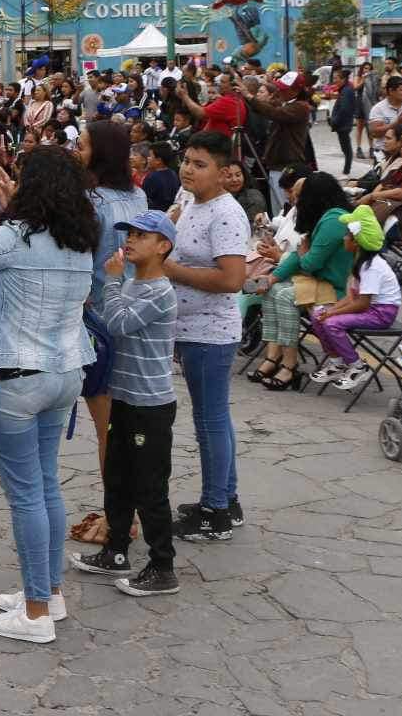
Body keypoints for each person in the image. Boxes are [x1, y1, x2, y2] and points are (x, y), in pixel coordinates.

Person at [0, 149, 98, 644]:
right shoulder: (81, 242)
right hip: (65, 372)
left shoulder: (13, 238)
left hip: (11, 375)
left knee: (26, 494)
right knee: (47, 484)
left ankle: (34, 614)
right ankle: (48, 592)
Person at [70, 210, 181, 598]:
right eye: (129, 233)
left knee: (151, 488)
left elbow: (118, 324)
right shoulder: (134, 284)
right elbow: (109, 317)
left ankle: (162, 566)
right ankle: (116, 550)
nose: (130, 240)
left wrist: (112, 283)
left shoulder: (161, 292)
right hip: (125, 400)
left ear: (163, 246)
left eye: (141, 236)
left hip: (151, 406)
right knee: (117, 479)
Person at [164, 131, 250, 541]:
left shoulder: (226, 214)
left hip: (210, 333)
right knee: (213, 419)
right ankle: (225, 499)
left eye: (200, 165)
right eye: (186, 160)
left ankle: (214, 511)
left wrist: (170, 270)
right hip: (186, 328)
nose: (188, 169)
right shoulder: (186, 201)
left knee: (209, 422)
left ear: (223, 173)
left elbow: (233, 279)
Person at [69, 119, 147, 549]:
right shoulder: (138, 194)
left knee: (108, 427)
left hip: (100, 312)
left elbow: (81, 259)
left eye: (82, 145)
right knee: (128, 424)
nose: (78, 151)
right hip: (137, 310)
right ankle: (126, 509)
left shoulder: (91, 199)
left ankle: (121, 517)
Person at [251, 172, 351, 391]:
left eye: (298, 196)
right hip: (316, 284)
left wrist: (303, 253)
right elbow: (299, 255)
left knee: (285, 295)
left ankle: (289, 365)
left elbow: (309, 262)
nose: (293, 200)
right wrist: (271, 277)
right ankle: (272, 357)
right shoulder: (323, 217)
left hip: (333, 290)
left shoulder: (334, 220)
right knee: (272, 289)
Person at [308, 206, 400, 391]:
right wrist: (328, 311)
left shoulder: (372, 267)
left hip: (381, 313)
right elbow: (352, 297)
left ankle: (358, 366)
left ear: (356, 242)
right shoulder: (359, 262)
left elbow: (361, 303)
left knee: (331, 323)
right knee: (318, 315)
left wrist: (333, 312)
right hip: (368, 309)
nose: (344, 238)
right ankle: (337, 362)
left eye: (347, 235)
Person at [245, 72, 315, 216]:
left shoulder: (300, 107)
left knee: (284, 209)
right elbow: (267, 107)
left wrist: (250, 96)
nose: (280, 91)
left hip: (286, 165)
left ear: (296, 90)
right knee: (278, 208)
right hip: (277, 164)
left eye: (284, 88)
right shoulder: (286, 103)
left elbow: (274, 113)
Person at [368, 75, 402, 147]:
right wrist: (396, 123)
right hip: (383, 153)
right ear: (391, 91)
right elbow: (374, 133)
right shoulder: (378, 108)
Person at [328, 66, 360, 174]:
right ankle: (347, 169)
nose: (334, 80)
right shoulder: (345, 90)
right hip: (343, 124)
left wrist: (334, 121)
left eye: (336, 78)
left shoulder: (346, 91)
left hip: (343, 124)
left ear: (343, 79)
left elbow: (344, 109)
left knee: (346, 148)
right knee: (345, 147)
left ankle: (347, 170)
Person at [141, 141, 180, 212]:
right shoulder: (173, 173)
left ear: (158, 161)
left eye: (150, 156)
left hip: (152, 215)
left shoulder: (152, 178)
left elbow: (142, 200)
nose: (148, 158)